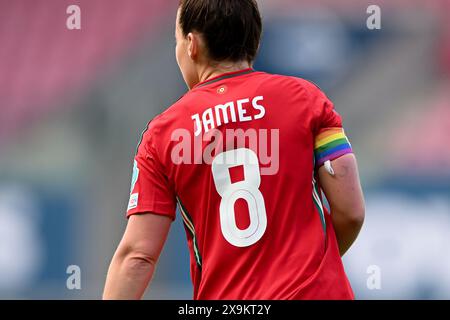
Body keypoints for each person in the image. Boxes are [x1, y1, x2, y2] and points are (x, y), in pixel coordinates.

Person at [103, 0, 365, 300]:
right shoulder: (307, 100)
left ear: (191, 45)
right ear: (252, 39)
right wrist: (317, 266)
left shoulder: (163, 135)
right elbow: (351, 212)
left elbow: (137, 256)